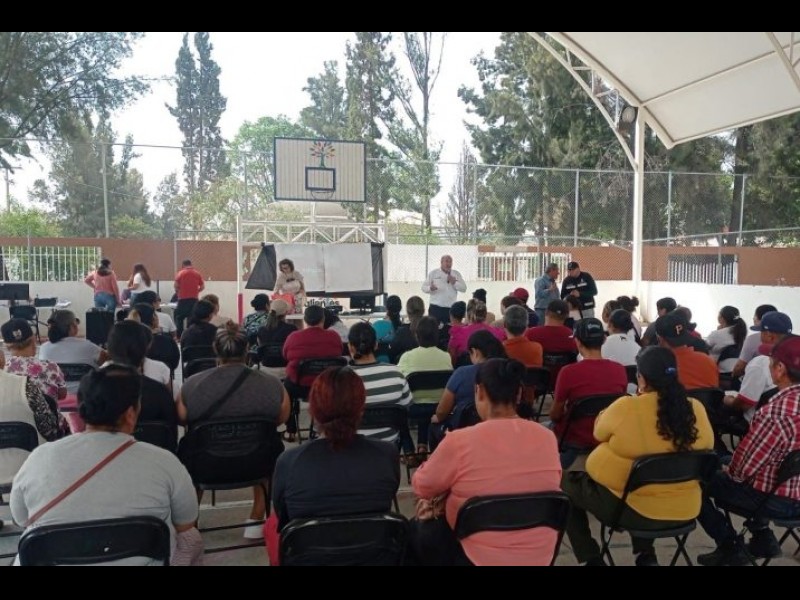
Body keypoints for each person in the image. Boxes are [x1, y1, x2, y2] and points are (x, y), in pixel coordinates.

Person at [11, 364, 202, 566]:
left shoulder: (40, 457)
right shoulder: (164, 461)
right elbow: (186, 523)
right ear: (130, 414)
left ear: (81, 410)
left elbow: (20, 518)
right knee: (190, 538)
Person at [562, 346, 714, 566]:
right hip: (687, 508)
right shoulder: (696, 408)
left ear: (641, 378)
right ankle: (645, 555)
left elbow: (599, 432)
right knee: (642, 479)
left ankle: (590, 557)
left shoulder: (627, 407)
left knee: (565, 483)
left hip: (633, 511)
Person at [410, 358, 562, 566]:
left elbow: (422, 486)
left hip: (475, 557)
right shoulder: (547, 438)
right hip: (540, 555)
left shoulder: (459, 441)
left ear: (479, 392)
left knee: (418, 528)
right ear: (518, 394)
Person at [265, 367, 400, 566]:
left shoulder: (289, 461)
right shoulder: (387, 454)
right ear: (361, 408)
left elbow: (283, 516)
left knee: (272, 525)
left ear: (314, 409)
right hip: (374, 556)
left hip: (309, 558)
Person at [177, 322, 290, 540]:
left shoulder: (192, 384)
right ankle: (255, 520)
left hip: (205, 465)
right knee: (268, 444)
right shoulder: (272, 384)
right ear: (247, 349)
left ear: (215, 349)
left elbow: (182, 418)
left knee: (191, 449)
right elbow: (281, 417)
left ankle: (190, 524)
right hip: (257, 463)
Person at [696, 335, 800, 566]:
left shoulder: (775, 412)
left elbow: (743, 471)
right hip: (793, 491)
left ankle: (730, 546)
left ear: (780, 369)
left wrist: (727, 469)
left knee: (694, 481)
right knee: (727, 460)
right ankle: (763, 538)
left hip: (778, 501)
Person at [549, 318, 628, 468]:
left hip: (575, 439)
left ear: (578, 342)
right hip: (607, 436)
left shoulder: (568, 372)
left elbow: (555, 414)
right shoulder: (619, 370)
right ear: (604, 340)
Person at [430, 330, 507, 450]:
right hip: (501, 429)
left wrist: (438, 418)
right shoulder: (506, 370)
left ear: (475, 352)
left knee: (433, 426)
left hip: (464, 431)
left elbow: (442, 410)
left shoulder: (462, 373)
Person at [347, 322, 414, 454]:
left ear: (350, 347)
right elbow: (405, 408)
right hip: (388, 447)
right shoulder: (396, 373)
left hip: (352, 449)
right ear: (376, 345)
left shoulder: (341, 379)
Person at [281, 305, 343, 442]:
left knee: (287, 387)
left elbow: (285, 355)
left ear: (305, 319)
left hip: (300, 387)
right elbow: (339, 353)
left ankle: (290, 430)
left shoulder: (294, 337)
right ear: (323, 319)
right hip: (327, 386)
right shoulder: (334, 336)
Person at [397, 316, 453, 455]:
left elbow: (399, 381)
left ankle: (409, 451)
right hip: (439, 407)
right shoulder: (446, 356)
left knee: (400, 412)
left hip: (414, 408)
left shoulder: (407, 357)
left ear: (417, 335)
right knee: (427, 401)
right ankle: (422, 444)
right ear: (437, 336)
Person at [39, 310, 104, 394]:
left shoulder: (44, 348)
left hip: (55, 397)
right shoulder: (88, 346)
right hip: (85, 396)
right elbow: (108, 362)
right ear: (72, 326)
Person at [2, 318, 67, 401]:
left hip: (14, 410)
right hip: (47, 409)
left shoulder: (3, 369)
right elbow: (62, 394)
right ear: (34, 340)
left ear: (7, 347)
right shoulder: (51, 366)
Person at [732, 304, 778, 379]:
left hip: (758, 380)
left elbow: (739, 367)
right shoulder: (787, 340)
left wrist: (733, 376)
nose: (753, 318)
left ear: (761, 319)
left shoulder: (753, 339)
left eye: (755, 315)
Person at [421, 255, 466, 326]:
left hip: (450, 309)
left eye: (450, 262)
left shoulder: (456, 274)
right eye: (447, 261)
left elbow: (464, 288)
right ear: (441, 262)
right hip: (435, 308)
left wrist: (454, 282)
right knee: (433, 329)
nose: (449, 264)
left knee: (449, 330)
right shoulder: (433, 273)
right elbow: (423, 287)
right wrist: (430, 288)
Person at [706, 305, 748, 372]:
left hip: (720, 371)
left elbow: (703, 348)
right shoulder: (742, 333)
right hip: (739, 370)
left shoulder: (716, 334)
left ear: (721, 318)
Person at [388, 296, 426, 363]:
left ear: (407, 312)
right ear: (424, 310)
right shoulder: (432, 330)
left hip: (405, 368)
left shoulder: (401, 332)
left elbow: (392, 355)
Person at [174, 259, 205, 338]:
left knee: (179, 318)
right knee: (191, 318)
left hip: (182, 299)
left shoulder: (180, 273)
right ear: (191, 264)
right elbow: (202, 287)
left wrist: (179, 293)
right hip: (194, 299)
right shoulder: (197, 273)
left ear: (183, 265)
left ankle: (179, 336)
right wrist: (196, 291)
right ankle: (190, 335)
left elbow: (176, 286)